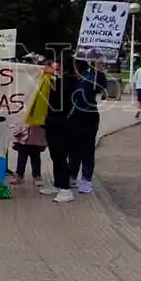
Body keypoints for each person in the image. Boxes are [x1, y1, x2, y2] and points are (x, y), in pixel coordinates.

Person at [67, 59, 108, 194]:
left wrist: (98, 70)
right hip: (73, 116)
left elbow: (101, 87)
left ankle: (86, 179)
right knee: (73, 148)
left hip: (89, 116)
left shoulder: (91, 76)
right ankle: (72, 174)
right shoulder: (71, 77)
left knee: (87, 148)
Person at [39, 56, 75, 202]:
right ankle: (58, 184)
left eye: (57, 65)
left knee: (60, 155)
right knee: (55, 155)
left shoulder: (67, 83)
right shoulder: (61, 81)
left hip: (61, 123)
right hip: (54, 122)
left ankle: (65, 189)